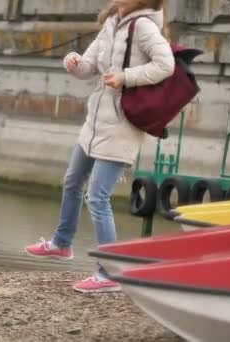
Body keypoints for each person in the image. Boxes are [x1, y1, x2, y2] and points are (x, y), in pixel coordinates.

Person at [24, 0, 174, 293]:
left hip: (121, 125)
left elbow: (165, 65)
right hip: (95, 123)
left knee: (98, 197)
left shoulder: (142, 26)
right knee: (72, 180)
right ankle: (61, 243)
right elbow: (89, 66)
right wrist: (73, 61)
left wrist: (125, 77)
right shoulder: (112, 22)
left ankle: (109, 273)